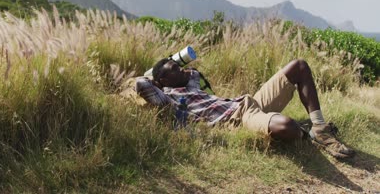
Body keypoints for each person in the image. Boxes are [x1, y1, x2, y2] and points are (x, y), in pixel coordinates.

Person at [135, 58, 355, 158]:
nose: (182, 70)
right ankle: (306, 133)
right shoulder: (169, 99)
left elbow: (192, 71)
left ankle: (319, 127)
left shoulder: (189, 83)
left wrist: (174, 64)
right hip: (237, 119)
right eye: (175, 68)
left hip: (249, 102)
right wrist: (155, 79)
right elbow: (140, 84)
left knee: (299, 66)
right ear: (162, 80)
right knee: (286, 126)